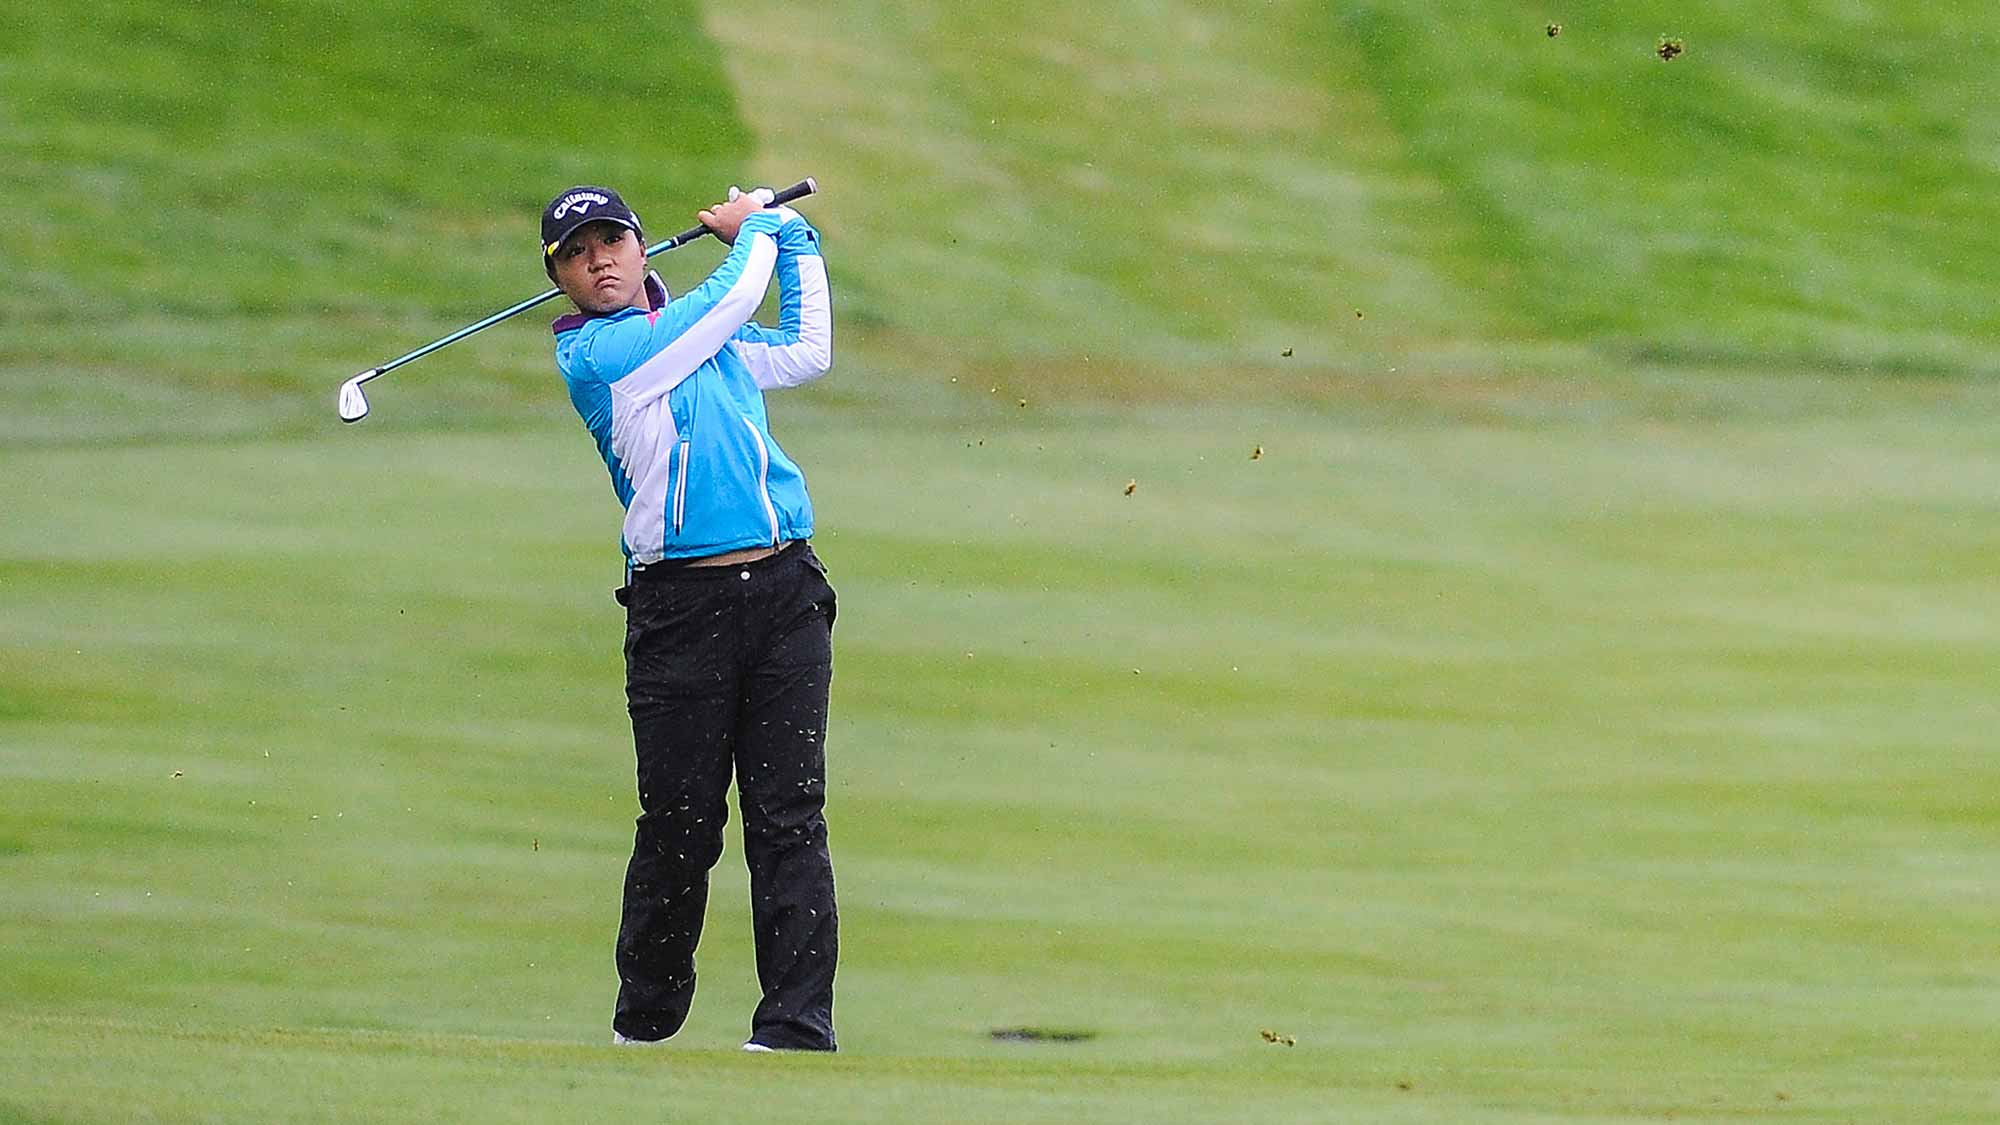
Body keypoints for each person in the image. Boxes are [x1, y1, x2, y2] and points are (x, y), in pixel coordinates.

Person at [539, 183, 839, 1051]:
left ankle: (794, 1025)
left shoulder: (707, 344)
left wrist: (797, 236)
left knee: (790, 816)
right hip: (679, 609)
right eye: (576, 251)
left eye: (612, 241)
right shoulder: (601, 357)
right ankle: (645, 1027)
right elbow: (733, 294)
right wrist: (762, 229)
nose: (599, 259)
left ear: (640, 250)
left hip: (785, 591)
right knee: (680, 823)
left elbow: (807, 349)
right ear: (558, 276)